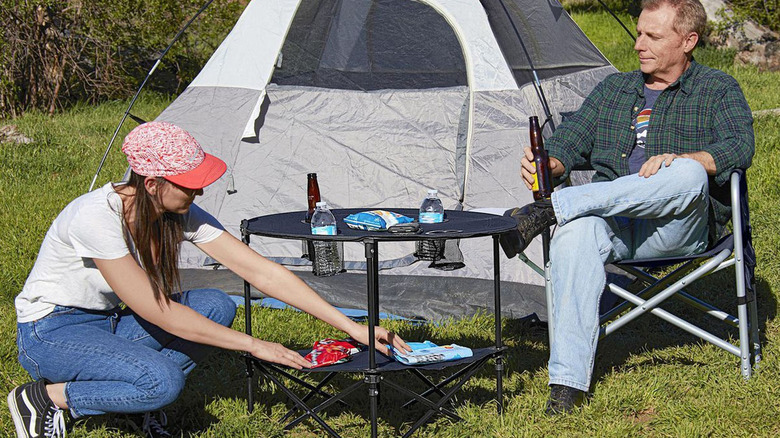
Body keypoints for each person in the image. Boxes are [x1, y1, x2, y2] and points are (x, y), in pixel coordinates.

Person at [7, 121, 410, 438]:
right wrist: (256, 346)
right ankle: (47, 397)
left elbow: (259, 270)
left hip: (109, 322)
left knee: (216, 304)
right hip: (52, 329)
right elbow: (159, 312)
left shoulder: (174, 212)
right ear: (152, 184)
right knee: (161, 382)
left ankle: (135, 398)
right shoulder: (95, 217)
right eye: (191, 184)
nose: (200, 191)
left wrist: (353, 327)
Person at [505, 0, 754, 415]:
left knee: (689, 173)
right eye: (639, 32)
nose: (638, 44)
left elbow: (739, 147)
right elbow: (571, 141)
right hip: (614, 225)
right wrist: (550, 162)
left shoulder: (717, 88)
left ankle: (553, 208)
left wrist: (686, 159)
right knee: (576, 231)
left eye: (652, 36)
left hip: (677, 229)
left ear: (688, 41)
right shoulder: (614, 89)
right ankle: (566, 387)